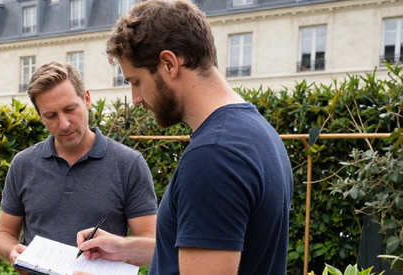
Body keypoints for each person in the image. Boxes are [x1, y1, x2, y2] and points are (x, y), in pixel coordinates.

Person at [74, 0, 294, 274]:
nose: (136, 99)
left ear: (169, 64)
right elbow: (206, 250)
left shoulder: (214, 157)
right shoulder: (257, 132)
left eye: (136, 81)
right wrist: (124, 247)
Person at [0, 61, 158, 273]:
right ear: (40, 116)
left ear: (87, 99)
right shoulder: (23, 164)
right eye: (51, 116)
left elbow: (152, 245)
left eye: (70, 109)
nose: (64, 124)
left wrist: (118, 248)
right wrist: (12, 251)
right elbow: (3, 233)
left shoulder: (128, 164)